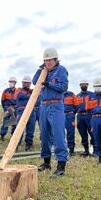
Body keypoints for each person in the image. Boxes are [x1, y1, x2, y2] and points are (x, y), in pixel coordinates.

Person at [33, 48, 68, 178]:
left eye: (50, 60)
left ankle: (61, 165)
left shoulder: (61, 70)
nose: (48, 63)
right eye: (45, 61)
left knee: (58, 135)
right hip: (43, 106)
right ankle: (46, 162)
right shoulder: (44, 71)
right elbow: (35, 82)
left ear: (55, 60)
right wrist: (40, 69)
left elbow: (63, 87)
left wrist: (48, 84)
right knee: (45, 135)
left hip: (56, 105)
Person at [15, 76, 36, 151]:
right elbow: (19, 96)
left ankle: (28, 145)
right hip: (21, 110)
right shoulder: (18, 90)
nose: (25, 84)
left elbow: (38, 99)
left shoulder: (33, 91)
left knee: (31, 129)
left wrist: (31, 96)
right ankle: (15, 145)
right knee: (19, 128)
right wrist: (30, 96)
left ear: (30, 84)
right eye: (24, 82)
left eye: (27, 83)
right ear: (22, 83)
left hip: (31, 111)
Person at [76, 79, 94, 157]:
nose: (84, 85)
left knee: (93, 133)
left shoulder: (91, 95)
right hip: (80, 116)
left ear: (87, 85)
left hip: (89, 115)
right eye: (82, 84)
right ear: (80, 86)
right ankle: (86, 150)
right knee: (83, 134)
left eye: (85, 84)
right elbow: (74, 106)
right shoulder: (77, 96)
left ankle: (95, 149)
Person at [0, 77, 17, 141]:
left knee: (15, 122)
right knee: (6, 122)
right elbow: (2, 100)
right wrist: (5, 108)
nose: (10, 83)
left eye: (12, 82)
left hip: (15, 108)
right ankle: (2, 135)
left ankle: (13, 135)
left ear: (15, 83)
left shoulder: (17, 91)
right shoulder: (5, 91)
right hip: (7, 107)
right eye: (10, 81)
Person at [63, 91, 78, 156]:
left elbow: (76, 106)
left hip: (69, 115)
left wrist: (71, 113)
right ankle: (61, 149)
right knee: (59, 133)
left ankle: (71, 150)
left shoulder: (71, 94)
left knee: (71, 132)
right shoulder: (57, 94)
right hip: (60, 115)